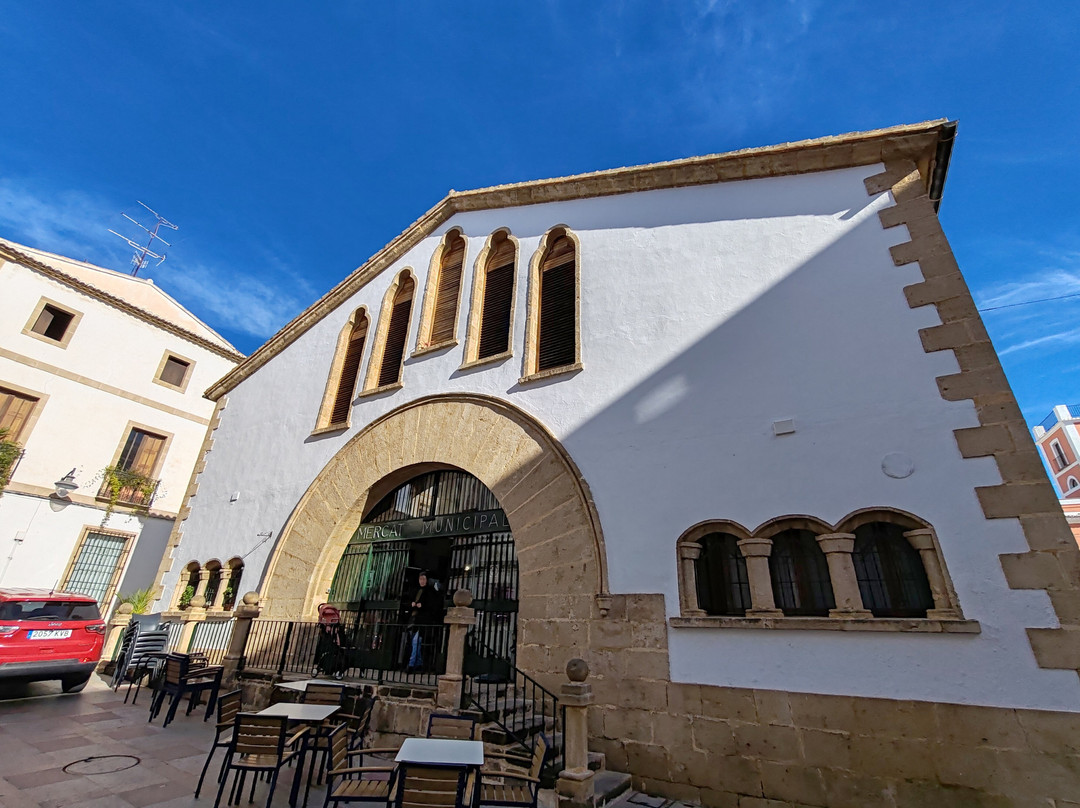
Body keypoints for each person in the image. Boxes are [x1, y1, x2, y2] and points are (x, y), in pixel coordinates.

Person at [406, 571, 443, 671]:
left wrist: (422, 605)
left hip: (423, 620)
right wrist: (412, 604)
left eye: (423, 579)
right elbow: (408, 601)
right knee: (415, 642)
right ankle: (419, 663)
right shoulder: (415, 590)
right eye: (420, 579)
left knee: (415, 641)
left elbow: (434, 605)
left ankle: (411, 664)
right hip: (414, 619)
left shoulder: (430, 592)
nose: (422, 581)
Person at [314, 603, 346, 679]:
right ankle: (331, 668)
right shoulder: (335, 626)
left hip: (330, 639)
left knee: (332, 652)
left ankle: (329, 667)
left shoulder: (327, 626)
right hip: (333, 639)